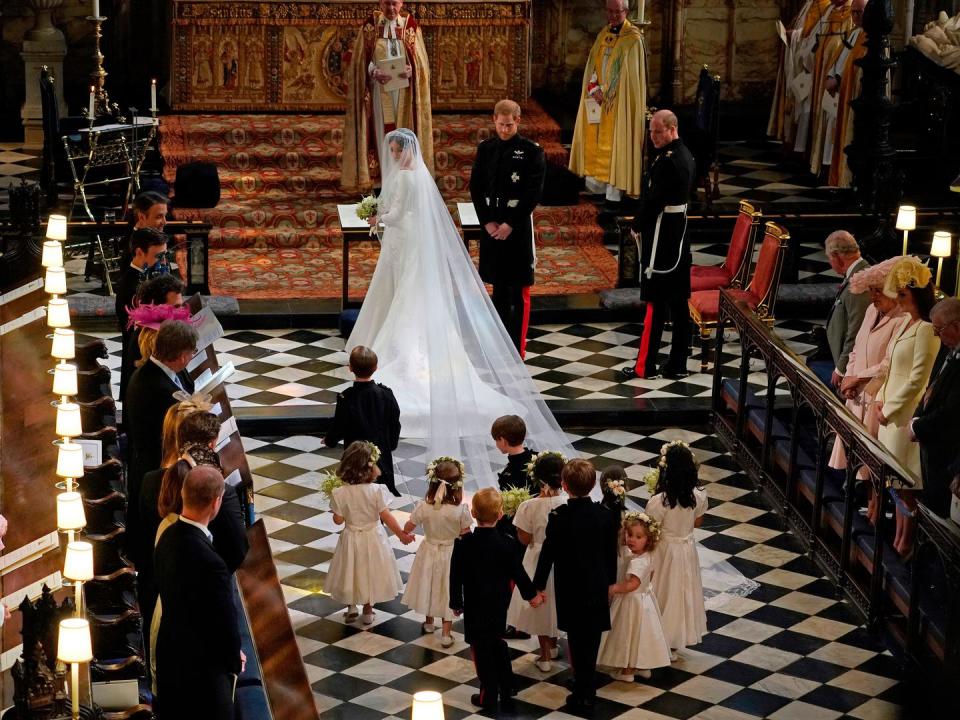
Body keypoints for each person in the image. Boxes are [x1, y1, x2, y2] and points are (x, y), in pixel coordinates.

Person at [347, 128, 574, 484]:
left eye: (396, 151)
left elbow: (400, 213)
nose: (394, 157)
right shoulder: (415, 176)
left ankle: (404, 352)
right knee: (404, 293)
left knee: (406, 297)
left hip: (404, 241)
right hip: (405, 244)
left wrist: (377, 219)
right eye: (391, 151)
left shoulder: (408, 180)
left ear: (407, 150)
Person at [153, 465, 241, 720]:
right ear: (216, 503)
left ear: (183, 494)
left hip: (170, 659)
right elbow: (224, 622)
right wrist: (234, 660)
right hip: (203, 681)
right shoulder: (212, 564)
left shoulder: (166, 536)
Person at [534, 459, 619, 711]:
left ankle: (581, 685)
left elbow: (547, 554)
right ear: (593, 485)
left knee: (575, 636)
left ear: (564, 485)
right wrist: (610, 584)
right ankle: (586, 686)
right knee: (590, 638)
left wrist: (537, 585)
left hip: (569, 586)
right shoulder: (604, 515)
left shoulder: (559, 516)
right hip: (596, 585)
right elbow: (609, 554)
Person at [828, 257, 909, 522]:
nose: (873, 297)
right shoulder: (872, 311)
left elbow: (888, 363)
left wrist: (858, 379)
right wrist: (850, 376)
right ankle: (863, 502)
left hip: (877, 395)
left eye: (878, 290)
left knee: (874, 459)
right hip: (857, 392)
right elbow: (856, 347)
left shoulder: (903, 319)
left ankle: (875, 509)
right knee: (855, 451)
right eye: (871, 290)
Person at [449, 488, 543, 712]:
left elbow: (456, 575)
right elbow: (518, 574)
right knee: (497, 642)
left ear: (472, 512)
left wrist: (456, 602)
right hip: (500, 605)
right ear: (501, 514)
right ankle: (507, 685)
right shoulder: (508, 543)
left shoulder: (464, 544)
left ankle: (488, 694)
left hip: (474, 605)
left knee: (481, 649)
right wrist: (532, 595)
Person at [620, 109, 696, 380]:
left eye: (657, 131)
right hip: (677, 235)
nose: (652, 136)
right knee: (678, 303)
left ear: (672, 128)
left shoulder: (669, 161)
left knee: (656, 303)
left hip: (663, 239)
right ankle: (677, 364)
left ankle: (646, 366)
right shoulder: (684, 153)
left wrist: (637, 224)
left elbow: (654, 201)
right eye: (650, 131)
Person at [469, 99, 547, 356]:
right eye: (501, 124)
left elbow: (532, 192)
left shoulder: (531, 151)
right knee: (499, 288)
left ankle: (517, 348)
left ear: (518, 121)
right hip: (492, 224)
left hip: (517, 226)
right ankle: (499, 345)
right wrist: (488, 221)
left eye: (509, 125)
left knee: (518, 289)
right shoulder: (486, 149)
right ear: (494, 120)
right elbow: (476, 188)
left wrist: (510, 224)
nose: (504, 129)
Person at [874, 257, 939, 555]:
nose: (897, 300)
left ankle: (906, 540)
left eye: (903, 294)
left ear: (917, 295)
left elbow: (917, 379)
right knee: (895, 481)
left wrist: (889, 410)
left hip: (903, 415)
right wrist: (879, 400)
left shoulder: (926, 329)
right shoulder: (904, 324)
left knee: (906, 482)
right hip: (889, 411)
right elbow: (890, 369)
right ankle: (898, 535)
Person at [124, 319, 198, 560]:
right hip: (155, 469)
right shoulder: (157, 388)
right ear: (180, 356)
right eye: (190, 352)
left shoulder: (153, 371)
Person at [341, 0, 433, 191]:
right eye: (387, 4)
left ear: (401, 4)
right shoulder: (370, 27)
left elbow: (422, 64)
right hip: (379, 90)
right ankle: (382, 182)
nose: (391, 9)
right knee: (382, 131)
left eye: (395, 4)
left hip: (404, 93)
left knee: (403, 132)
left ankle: (405, 181)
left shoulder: (411, 27)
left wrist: (412, 70)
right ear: (380, 4)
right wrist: (373, 71)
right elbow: (360, 61)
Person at [326, 441, 413, 624]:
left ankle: (351, 607)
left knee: (351, 569)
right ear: (371, 468)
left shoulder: (340, 493)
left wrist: (336, 508)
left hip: (351, 538)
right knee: (370, 571)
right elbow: (386, 516)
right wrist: (401, 535)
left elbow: (338, 520)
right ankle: (367, 610)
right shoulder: (376, 491)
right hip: (373, 538)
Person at [568, 0, 646, 202]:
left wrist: (609, 94)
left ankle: (614, 192)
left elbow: (630, 79)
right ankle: (597, 186)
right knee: (595, 138)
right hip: (599, 99)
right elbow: (594, 65)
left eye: (616, 12)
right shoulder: (604, 34)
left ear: (626, 11)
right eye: (609, 11)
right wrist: (593, 88)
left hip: (618, 105)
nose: (612, 16)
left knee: (616, 142)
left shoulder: (633, 40)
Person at [644, 441, 708, 656]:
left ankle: (659, 639)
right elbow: (697, 523)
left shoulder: (659, 501)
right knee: (680, 593)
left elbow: (651, 530)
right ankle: (673, 640)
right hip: (686, 548)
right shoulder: (699, 495)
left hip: (664, 551)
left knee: (662, 592)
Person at [400, 457, 472, 647]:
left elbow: (409, 525)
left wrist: (406, 533)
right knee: (449, 590)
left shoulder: (424, 506)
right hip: (451, 554)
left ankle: (429, 622)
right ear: (457, 486)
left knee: (429, 584)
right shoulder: (461, 511)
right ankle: (446, 633)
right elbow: (467, 534)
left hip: (429, 551)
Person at [505, 451, 566, 672]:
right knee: (557, 600)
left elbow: (525, 538)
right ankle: (553, 642)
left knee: (540, 604)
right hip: (562, 559)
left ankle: (545, 654)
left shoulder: (529, 506)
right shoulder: (567, 501)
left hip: (536, 557)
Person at [597, 511, 672, 681]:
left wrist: (614, 588)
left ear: (649, 540)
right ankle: (641, 666)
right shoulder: (647, 556)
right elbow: (649, 578)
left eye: (638, 537)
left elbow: (632, 585)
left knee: (628, 635)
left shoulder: (637, 562)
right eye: (629, 535)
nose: (632, 539)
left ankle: (627, 671)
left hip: (631, 603)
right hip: (645, 601)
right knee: (642, 635)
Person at [324, 346, 402, 496]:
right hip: (380, 457)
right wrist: (391, 445)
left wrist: (330, 440)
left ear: (350, 368)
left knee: (355, 494)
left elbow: (340, 425)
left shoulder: (346, 398)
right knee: (379, 497)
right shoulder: (386, 395)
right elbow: (395, 423)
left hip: (354, 458)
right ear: (376, 367)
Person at [912, 298, 960, 518]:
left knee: (940, 515)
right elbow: (932, 387)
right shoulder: (949, 349)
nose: (935, 335)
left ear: (956, 326)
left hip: (948, 452)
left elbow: (953, 410)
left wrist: (919, 426)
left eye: (938, 329)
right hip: (932, 447)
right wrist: (916, 419)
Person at [768, 0, 833, 149]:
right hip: (799, 61)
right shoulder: (812, 3)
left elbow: (812, 36)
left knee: (805, 109)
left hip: (809, 67)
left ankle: (800, 150)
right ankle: (792, 145)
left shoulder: (824, 5)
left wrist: (795, 36)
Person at [120, 273, 185, 403]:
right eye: (176, 307)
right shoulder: (147, 339)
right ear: (157, 308)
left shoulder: (163, 331)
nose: (181, 312)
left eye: (182, 306)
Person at [807, 0, 854, 171]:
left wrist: (837, 75)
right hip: (827, 72)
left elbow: (848, 50)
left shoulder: (851, 15)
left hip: (841, 81)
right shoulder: (829, 11)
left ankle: (831, 166)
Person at [826, 0, 869, 187]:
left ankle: (844, 177)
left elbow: (858, 69)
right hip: (838, 90)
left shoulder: (870, 38)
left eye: (860, 12)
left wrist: (839, 79)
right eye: (854, 12)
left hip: (852, 94)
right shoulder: (854, 33)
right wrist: (831, 75)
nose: (856, 16)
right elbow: (840, 57)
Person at [822, 231, 870, 388]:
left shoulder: (859, 281)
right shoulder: (856, 273)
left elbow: (856, 329)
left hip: (849, 367)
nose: (830, 263)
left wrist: (841, 369)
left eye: (830, 259)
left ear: (836, 256)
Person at [115, 228, 169, 340]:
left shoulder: (151, 276)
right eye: (159, 256)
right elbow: (138, 330)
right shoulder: (129, 285)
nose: (164, 262)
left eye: (165, 255)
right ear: (139, 252)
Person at [493, 415, 535, 494]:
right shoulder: (537, 458)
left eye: (496, 440)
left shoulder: (508, 476)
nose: (496, 444)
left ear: (503, 441)